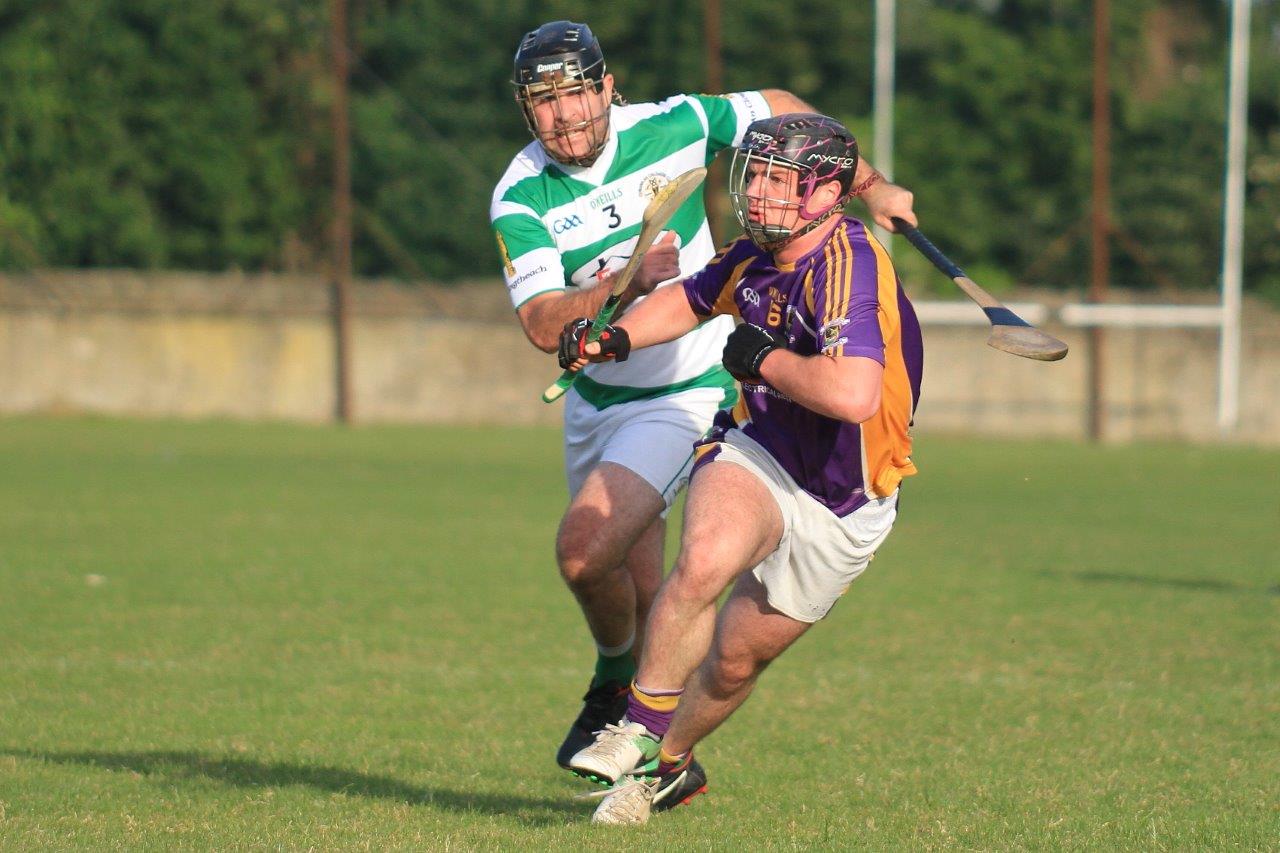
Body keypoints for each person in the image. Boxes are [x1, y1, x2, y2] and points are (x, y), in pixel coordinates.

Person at [490, 19, 917, 808]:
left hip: (690, 392)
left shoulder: (678, 125)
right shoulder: (521, 193)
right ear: (526, 110)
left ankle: (628, 708)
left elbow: (788, 116)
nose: (565, 116)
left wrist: (874, 183)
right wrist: (615, 295)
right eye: (544, 102)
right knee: (655, 591)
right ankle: (648, 722)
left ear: (607, 87)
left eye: (577, 93)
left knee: (593, 553)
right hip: (600, 399)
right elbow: (549, 324)